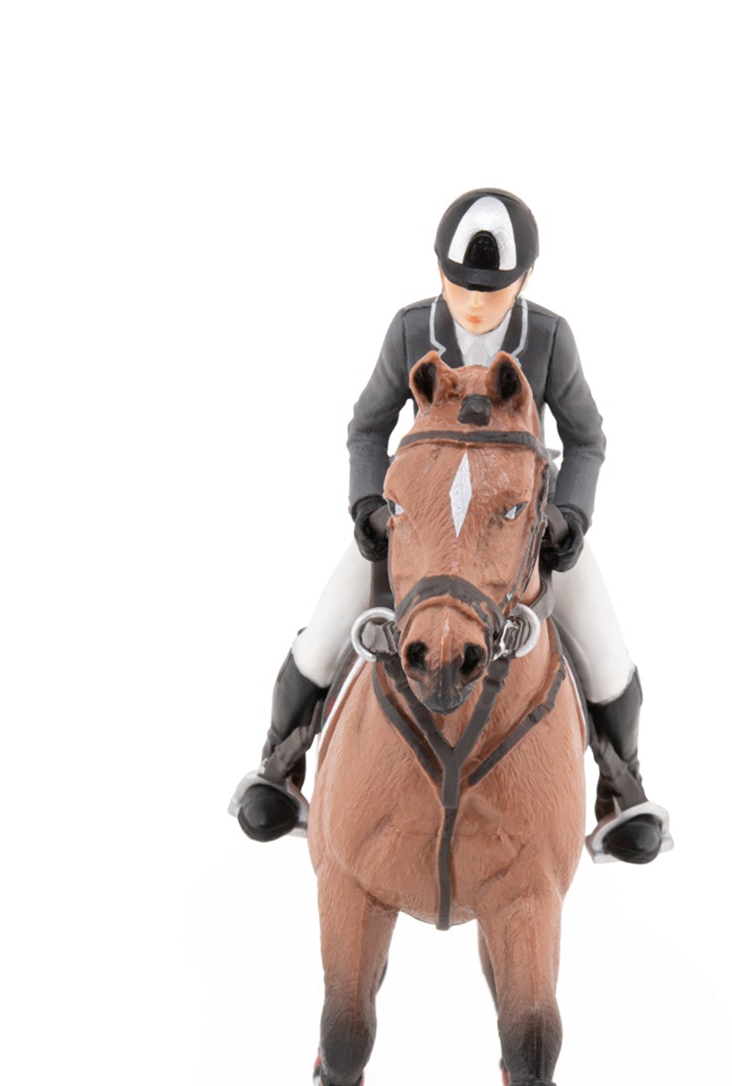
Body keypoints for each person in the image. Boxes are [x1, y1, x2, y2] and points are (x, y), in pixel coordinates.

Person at [230, 189, 670, 865]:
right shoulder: (411, 329)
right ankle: (279, 764)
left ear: (525, 281)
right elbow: (368, 426)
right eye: (461, 286)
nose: (474, 303)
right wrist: (367, 504)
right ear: (440, 271)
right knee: (323, 634)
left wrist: (571, 516)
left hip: (521, 524)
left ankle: (621, 788)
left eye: (492, 291)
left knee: (607, 656)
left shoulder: (550, 338)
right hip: (425, 519)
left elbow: (587, 438)